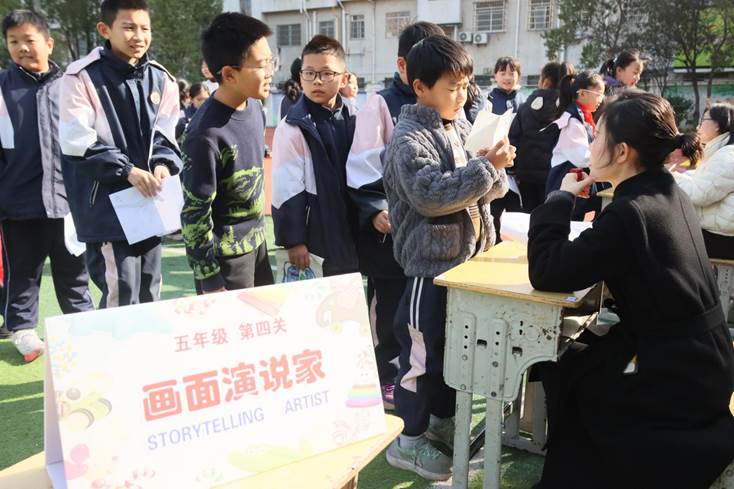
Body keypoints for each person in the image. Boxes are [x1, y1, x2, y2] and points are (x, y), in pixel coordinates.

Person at [527, 90, 734, 489]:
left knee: (574, 373)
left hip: (674, 376)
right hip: (703, 360)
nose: (591, 145)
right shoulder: (668, 191)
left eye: (597, 136)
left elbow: (547, 271)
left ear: (621, 152)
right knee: (581, 359)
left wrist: (560, 198)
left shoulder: (630, 211)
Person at [382, 35, 514, 481]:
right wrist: (488, 167)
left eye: (465, 86)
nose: (462, 95)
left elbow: (483, 190)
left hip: (463, 264)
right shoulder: (408, 138)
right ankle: (408, 441)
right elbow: (431, 196)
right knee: (421, 359)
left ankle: (438, 425)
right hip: (428, 269)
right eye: (452, 87)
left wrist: (495, 167)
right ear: (420, 87)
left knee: (451, 355)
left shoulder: (457, 124)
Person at [346, 21, 444, 410]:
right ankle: (385, 374)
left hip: (431, 235)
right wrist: (376, 209)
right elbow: (363, 165)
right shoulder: (381, 103)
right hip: (391, 233)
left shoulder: (446, 104)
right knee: (389, 308)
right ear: (403, 65)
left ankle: (420, 378)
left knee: (424, 314)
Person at [59, 0, 182, 309]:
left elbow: (166, 133)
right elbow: (76, 141)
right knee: (120, 291)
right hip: (106, 207)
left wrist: (163, 163)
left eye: (145, 28)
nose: (138, 36)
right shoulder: (80, 77)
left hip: (149, 203)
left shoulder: (162, 79)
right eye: (128, 27)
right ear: (105, 29)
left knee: (150, 289)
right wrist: (127, 170)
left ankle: (148, 340)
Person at [0, 10, 94, 362]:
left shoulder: (72, 85)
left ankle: (82, 324)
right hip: (18, 203)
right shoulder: (2, 88)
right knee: (22, 271)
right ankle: (23, 330)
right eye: (13, 41)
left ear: (49, 43)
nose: (22, 47)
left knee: (75, 271)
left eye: (29, 39)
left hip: (70, 203)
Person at [180, 13, 275, 294]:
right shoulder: (204, 135)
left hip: (257, 244)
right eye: (262, 65)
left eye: (271, 62)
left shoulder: (254, 107)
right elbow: (195, 213)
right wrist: (209, 277)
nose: (270, 72)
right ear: (229, 74)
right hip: (226, 259)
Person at [271, 35, 359, 277]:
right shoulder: (292, 127)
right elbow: (286, 188)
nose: (317, 80)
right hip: (315, 237)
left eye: (326, 73)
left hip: (352, 230)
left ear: (344, 78)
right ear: (301, 77)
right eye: (309, 73)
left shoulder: (355, 116)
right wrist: (294, 240)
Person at [510, 61, 575, 212]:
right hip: (556, 175)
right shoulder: (568, 109)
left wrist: (513, 168)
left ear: (545, 82)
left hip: (526, 174)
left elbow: (514, 138)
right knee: (553, 215)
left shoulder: (526, 106)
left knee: (528, 215)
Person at [672, 103, 734, 260]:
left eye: (704, 120)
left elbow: (700, 194)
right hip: (719, 233)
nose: (698, 126)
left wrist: (669, 176)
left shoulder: (727, 155)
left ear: (718, 125)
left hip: (720, 238)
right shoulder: (721, 152)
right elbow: (705, 182)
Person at [545, 71, 605, 220]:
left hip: (572, 180)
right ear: (582, 94)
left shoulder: (580, 117)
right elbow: (582, 158)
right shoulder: (572, 121)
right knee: (564, 222)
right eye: (598, 94)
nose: (601, 99)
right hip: (563, 180)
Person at [488, 56, 525, 241]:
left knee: (518, 213)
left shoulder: (524, 100)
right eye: (502, 73)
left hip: (518, 167)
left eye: (512, 73)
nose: (507, 77)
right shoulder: (488, 100)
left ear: (519, 76)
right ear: (495, 75)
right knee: (493, 212)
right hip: (496, 164)